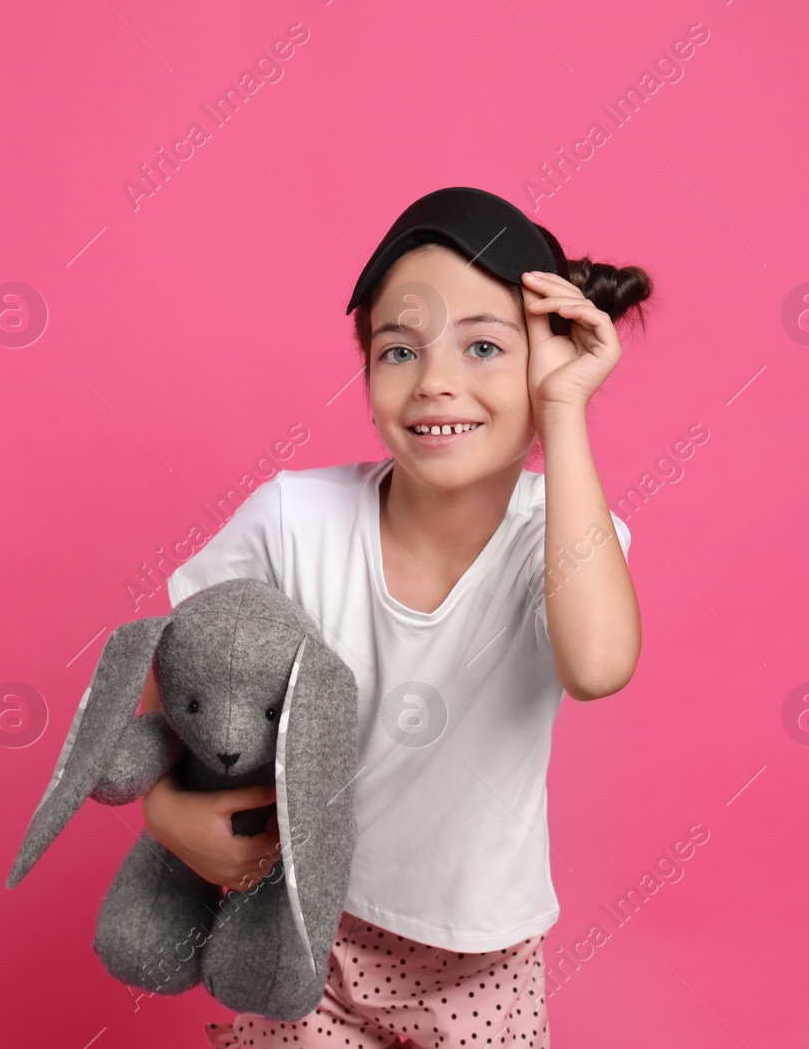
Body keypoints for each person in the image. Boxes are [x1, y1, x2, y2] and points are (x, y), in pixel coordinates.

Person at [136, 186, 651, 1048]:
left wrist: (566, 412)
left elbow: (597, 665)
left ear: (546, 360)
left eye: (484, 346)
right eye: (398, 349)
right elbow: (179, 654)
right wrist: (163, 805)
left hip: (482, 965)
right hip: (307, 929)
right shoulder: (294, 516)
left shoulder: (560, 535)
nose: (435, 381)